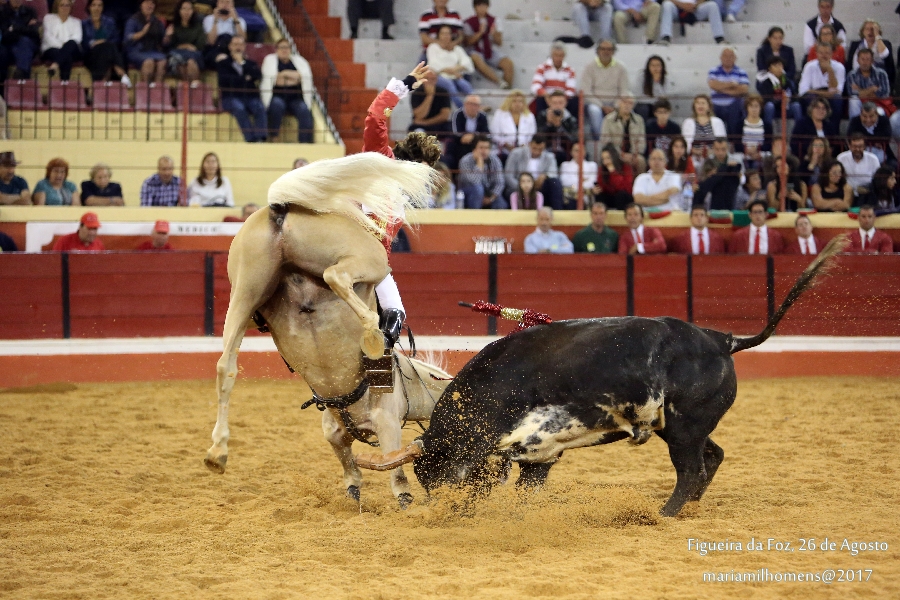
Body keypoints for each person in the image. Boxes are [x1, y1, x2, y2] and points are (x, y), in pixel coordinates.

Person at [362, 62, 443, 346]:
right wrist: (403, 86)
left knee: (396, 315)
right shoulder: (381, 159)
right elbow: (375, 118)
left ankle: (375, 361)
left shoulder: (401, 196)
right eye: (421, 172)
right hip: (347, 247)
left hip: (373, 262)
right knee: (393, 312)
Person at [261, 38, 314, 144]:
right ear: (276, 49)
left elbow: (303, 77)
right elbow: (275, 80)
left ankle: (304, 142)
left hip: (295, 97)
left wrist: (284, 74)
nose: (284, 50)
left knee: (304, 110)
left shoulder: (300, 61)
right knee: (276, 106)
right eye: (282, 47)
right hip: (277, 95)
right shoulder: (270, 60)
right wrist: (293, 78)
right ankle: (274, 138)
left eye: (287, 47)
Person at [217, 35, 267, 143]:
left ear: (244, 47)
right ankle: (251, 139)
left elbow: (257, 75)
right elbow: (224, 81)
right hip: (230, 97)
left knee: (259, 107)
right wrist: (246, 78)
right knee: (239, 108)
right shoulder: (223, 63)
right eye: (235, 44)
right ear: (230, 46)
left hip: (250, 96)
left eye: (240, 44)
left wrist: (242, 63)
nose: (238, 47)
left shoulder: (251, 63)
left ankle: (261, 137)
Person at [580, 39, 629, 143]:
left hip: (615, 103)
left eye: (609, 49)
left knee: (627, 109)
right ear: (598, 50)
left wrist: (615, 106)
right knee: (594, 111)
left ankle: (619, 143)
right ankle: (601, 143)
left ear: (613, 51)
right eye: (603, 49)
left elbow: (624, 91)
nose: (606, 52)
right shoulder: (589, 67)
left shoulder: (621, 67)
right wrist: (601, 106)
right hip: (595, 103)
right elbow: (586, 91)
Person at [462, 0, 513, 89]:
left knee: (508, 63)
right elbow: (467, 43)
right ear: (475, 8)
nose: (482, 8)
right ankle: (499, 81)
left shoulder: (495, 21)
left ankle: (508, 89)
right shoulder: (468, 22)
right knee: (475, 58)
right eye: (479, 5)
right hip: (475, 50)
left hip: (490, 50)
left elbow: (499, 42)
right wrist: (480, 33)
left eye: (484, 5)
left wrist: (494, 34)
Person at [504, 134, 563, 210]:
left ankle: (557, 211)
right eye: (534, 148)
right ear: (529, 144)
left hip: (539, 187)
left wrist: (545, 175)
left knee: (555, 183)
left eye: (540, 149)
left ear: (544, 147)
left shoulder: (549, 157)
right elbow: (508, 175)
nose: (537, 152)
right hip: (518, 187)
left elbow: (553, 172)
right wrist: (523, 186)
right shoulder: (516, 153)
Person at [798, 41, 845, 132]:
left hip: (830, 97)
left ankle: (834, 132)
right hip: (814, 96)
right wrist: (824, 93)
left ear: (832, 54)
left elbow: (838, 91)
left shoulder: (839, 67)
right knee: (810, 98)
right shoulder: (809, 66)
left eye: (827, 53)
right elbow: (803, 90)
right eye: (821, 53)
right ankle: (811, 130)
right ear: (816, 53)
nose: (824, 56)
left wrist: (830, 70)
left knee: (837, 99)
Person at [82, 0, 130, 85]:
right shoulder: (84, 24)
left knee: (108, 48)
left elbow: (116, 39)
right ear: (89, 7)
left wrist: (103, 42)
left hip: (108, 52)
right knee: (108, 48)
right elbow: (84, 43)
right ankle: (122, 74)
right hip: (91, 54)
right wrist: (95, 43)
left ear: (102, 7)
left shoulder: (109, 22)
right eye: (94, 5)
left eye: (99, 5)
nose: (97, 8)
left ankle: (103, 83)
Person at [426, 25, 474, 109]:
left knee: (465, 84)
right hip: (439, 75)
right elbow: (433, 64)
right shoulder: (433, 47)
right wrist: (451, 71)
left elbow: (467, 63)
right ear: (439, 35)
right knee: (449, 85)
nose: (446, 36)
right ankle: (463, 108)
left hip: (455, 75)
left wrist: (456, 69)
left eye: (448, 33)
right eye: (443, 33)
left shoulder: (457, 49)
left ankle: (476, 105)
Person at [707, 47, 749, 139]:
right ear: (721, 57)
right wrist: (732, 84)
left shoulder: (741, 72)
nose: (728, 58)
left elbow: (744, 90)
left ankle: (733, 142)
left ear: (735, 58)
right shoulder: (713, 70)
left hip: (734, 105)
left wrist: (721, 89)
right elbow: (713, 85)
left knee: (738, 109)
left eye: (731, 56)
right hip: (716, 104)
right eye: (725, 56)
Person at [599, 94, 646, 173]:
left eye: (630, 103)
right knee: (612, 160)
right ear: (619, 103)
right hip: (614, 154)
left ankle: (639, 181)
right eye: (625, 102)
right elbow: (606, 141)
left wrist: (633, 155)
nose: (627, 105)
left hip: (633, 154)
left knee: (641, 161)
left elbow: (642, 141)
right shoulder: (608, 119)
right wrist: (620, 154)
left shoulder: (639, 120)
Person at [457, 134, 506, 209]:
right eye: (481, 148)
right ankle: (475, 215)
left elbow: (500, 183)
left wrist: (491, 198)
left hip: (489, 193)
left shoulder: (495, 160)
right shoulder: (465, 161)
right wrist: (479, 164)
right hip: (469, 192)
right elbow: (475, 182)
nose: (484, 151)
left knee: (501, 204)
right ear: (474, 149)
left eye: (486, 148)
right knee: (478, 189)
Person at [530, 42, 579, 116]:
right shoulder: (542, 67)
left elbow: (571, 90)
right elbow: (535, 86)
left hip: (563, 98)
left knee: (575, 100)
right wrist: (546, 94)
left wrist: (560, 99)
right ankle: (541, 121)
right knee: (539, 99)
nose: (558, 58)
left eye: (561, 56)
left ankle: (571, 122)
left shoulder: (570, 70)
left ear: (564, 56)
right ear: (551, 55)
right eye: (556, 55)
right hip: (547, 98)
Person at [124, 0, 167, 83]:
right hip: (137, 50)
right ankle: (145, 89)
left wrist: (167, 38)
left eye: (152, 3)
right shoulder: (133, 20)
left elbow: (163, 42)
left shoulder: (158, 22)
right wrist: (142, 33)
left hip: (154, 50)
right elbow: (128, 38)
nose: (149, 6)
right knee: (149, 62)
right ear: (141, 5)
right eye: (147, 3)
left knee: (162, 62)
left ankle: (156, 88)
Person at [756, 55, 802, 130]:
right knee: (769, 106)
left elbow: (794, 95)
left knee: (796, 106)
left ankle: (799, 130)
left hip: (786, 107)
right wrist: (781, 100)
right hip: (774, 108)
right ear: (769, 68)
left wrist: (789, 99)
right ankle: (768, 130)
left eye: (780, 65)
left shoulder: (787, 81)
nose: (778, 68)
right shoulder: (765, 82)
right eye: (775, 66)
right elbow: (766, 99)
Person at [847, 19, 894, 92]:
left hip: (878, 82)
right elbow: (849, 65)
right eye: (867, 29)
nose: (870, 32)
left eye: (873, 29)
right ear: (863, 31)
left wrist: (877, 36)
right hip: (858, 81)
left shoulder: (885, 43)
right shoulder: (855, 45)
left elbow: (884, 55)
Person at [489, 89, 536, 162]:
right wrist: (505, 144)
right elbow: (494, 134)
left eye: (520, 101)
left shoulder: (529, 116)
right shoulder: (500, 114)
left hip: (524, 150)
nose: (517, 104)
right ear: (509, 102)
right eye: (514, 101)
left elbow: (532, 135)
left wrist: (524, 146)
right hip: (504, 150)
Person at [41, 0, 83, 81]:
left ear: (71, 7)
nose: (65, 8)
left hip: (73, 50)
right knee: (67, 57)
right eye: (62, 5)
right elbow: (48, 38)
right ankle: (64, 84)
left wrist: (66, 47)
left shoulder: (76, 22)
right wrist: (65, 48)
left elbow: (77, 38)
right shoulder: (48, 18)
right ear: (57, 7)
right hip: (52, 49)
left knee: (72, 42)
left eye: (67, 5)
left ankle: (55, 65)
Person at [695, 137, 742, 210]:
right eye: (717, 149)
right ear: (713, 148)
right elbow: (703, 181)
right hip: (713, 193)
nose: (720, 153)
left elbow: (742, 179)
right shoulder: (708, 162)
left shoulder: (735, 161)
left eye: (723, 149)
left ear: (728, 148)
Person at [446, 94, 489, 171]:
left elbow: (486, 133)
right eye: (471, 104)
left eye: (476, 105)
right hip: (459, 144)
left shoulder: (483, 116)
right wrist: (469, 137)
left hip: (476, 144)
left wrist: (473, 136)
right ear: (465, 104)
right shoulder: (457, 114)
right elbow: (455, 132)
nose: (473, 107)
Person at [164, 0, 205, 81]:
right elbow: (170, 45)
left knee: (190, 62)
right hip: (177, 54)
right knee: (180, 63)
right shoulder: (174, 26)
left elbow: (200, 44)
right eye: (184, 9)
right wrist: (185, 46)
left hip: (194, 54)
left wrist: (184, 47)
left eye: (189, 9)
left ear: (193, 11)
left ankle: (194, 84)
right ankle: (188, 86)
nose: (187, 12)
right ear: (179, 11)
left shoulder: (198, 26)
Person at [0, 0, 41, 80]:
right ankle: (21, 75)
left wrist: (14, 28)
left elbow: (34, 32)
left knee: (24, 42)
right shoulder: (3, 12)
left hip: (29, 45)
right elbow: (5, 35)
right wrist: (25, 28)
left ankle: (20, 75)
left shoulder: (30, 11)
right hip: (10, 45)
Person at [536, 90, 579, 166]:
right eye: (555, 103)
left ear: (565, 103)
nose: (557, 106)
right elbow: (538, 139)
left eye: (560, 103)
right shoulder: (542, 115)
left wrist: (559, 126)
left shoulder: (571, 119)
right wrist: (548, 124)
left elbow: (573, 141)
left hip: (565, 153)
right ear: (549, 103)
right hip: (546, 151)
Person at [846, 48, 890, 120]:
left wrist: (860, 91)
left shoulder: (881, 74)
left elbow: (885, 94)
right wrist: (872, 89)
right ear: (858, 60)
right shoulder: (852, 75)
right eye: (862, 59)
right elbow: (852, 93)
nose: (865, 62)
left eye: (867, 59)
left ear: (872, 61)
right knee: (853, 99)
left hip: (877, 104)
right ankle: (855, 125)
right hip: (859, 104)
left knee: (880, 113)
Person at [681, 94, 726, 164]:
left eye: (703, 103)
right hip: (693, 159)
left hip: (714, 157)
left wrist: (713, 151)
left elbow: (723, 142)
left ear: (709, 107)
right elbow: (685, 144)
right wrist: (695, 151)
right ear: (694, 106)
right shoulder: (687, 122)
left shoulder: (718, 122)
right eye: (698, 103)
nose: (700, 106)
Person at [658, 0, 726, 46]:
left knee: (712, 5)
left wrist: (695, 5)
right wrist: (682, 5)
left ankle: (719, 37)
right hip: (676, 9)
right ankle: (665, 37)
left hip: (694, 9)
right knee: (667, 4)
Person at [837, 134, 880, 202]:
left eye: (860, 146)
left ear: (864, 146)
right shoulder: (841, 158)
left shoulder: (873, 159)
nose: (857, 149)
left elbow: (878, 180)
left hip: (868, 194)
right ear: (849, 146)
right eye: (854, 146)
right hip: (846, 194)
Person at [202, 0, 246, 66]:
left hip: (232, 49)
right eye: (222, 2)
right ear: (217, 4)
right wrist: (215, 20)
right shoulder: (209, 19)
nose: (225, 5)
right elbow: (211, 41)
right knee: (223, 58)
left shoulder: (240, 21)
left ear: (233, 4)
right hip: (215, 49)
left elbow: (243, 39)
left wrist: (235, 20)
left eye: (228, 2)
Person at [595, 144, 634, 210]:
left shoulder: (626, 168)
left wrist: (613, 172)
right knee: (600, 196)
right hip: (610, 196)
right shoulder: (602, 169)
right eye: (603, 159)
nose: (605, 162)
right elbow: (602, 186)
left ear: (614, 157)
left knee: (621, 195)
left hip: (623, 197)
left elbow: (625, 187)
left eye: (608, 158)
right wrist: (597, 189)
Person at [560, 142, 599, 208]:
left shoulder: (592, 165)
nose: (579, 153)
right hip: (570, 198)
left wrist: (575, 183)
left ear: (585, 152)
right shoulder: (565, 165)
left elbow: (592, 183)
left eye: (581, 150)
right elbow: (565, 182)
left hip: (587, 198)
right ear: (571, 152)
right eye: (576, 150)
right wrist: (583, 180)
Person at [635, 56, 671, 123]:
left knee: (662, 109)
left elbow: (664, 96)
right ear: (648, 67)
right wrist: (654, 100)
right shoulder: (641, 77)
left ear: (662, 67)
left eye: (658, 65)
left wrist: (656, 82)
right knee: (644, 109)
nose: (655, 68)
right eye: (653, 65)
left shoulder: (665, 79)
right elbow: (639, 97)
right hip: (643, 104)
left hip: (657, 105)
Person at [738, 94, 770, 169]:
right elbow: (737, 143)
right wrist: (746, 150)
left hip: (760, 154)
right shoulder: (740, 124)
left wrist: (757, 151)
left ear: (760, 108)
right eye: (751, 106)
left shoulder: (767, 125)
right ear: (747, 108)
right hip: (744, 154)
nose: (754, 109)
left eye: (756, 106)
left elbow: (768, 144)